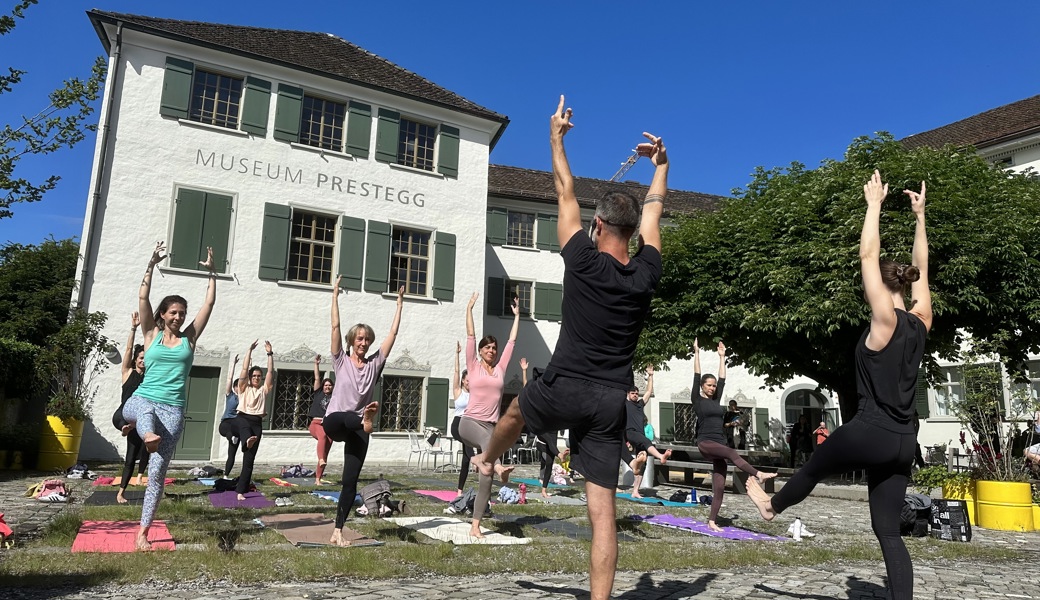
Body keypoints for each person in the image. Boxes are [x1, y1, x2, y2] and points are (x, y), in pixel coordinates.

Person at [472, 96, 667, 600]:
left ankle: (488, 460)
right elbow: (655, 216)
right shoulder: (646, 274)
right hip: (610, 401)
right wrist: (661, 169)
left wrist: (557, 137)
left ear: (598, 226)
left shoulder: (580, 257)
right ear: (631, 234)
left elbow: (565, 190)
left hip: (565, 386)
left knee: (514, 411)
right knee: (604, 516)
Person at [747, 171, 932, 600]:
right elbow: (923, 273)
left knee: (812, 468)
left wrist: (874, 206)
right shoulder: (921, 322)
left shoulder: (884, 321)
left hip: (871, 430)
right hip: (906, 438)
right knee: (888, 530)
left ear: (882, 290)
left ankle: (771, 507)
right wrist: (920, 218)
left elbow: (868, 256)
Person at [123, 241, 217, 551]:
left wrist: (212, 273)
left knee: (157, 474)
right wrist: (150, 264)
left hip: (173, 410)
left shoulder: (189, 338)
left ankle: (143, 531)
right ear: (163, 314)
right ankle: (142, 431)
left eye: (182, 313)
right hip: (143, 398)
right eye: (174, 312)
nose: (178, 317)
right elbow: (142, 297)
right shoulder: (150, 334)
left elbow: (209, 306)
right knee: (141, 412)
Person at [323, 277, 404, 546]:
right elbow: (334, 325)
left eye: (367, 339)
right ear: (352, 340)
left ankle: (338, 530)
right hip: (336, 421)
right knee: (349, 417)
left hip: (359, 429)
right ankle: (364, 418)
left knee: (350, 481)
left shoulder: (374, 365)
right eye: (360, 338)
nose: (364, 342)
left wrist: (399, 305)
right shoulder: (340, 360)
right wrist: (334, 295)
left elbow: (391, 337)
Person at [691, 338, 775, 532]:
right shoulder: (697, 400)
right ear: (703, 386)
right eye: (709, 385)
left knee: (719, 487)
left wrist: (722, 357)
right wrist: (696, 353)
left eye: (713, 386)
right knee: (731, 452)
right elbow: (696, 375)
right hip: (705, 442)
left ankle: (712, 520)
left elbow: (723, 379)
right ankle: (758, 474)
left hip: (719, 441)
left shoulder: (717, 399)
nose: (712, 388)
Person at [457, 290, 520, 538]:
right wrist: (469, 309)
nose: (492, 350)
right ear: (481, 351)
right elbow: (471, 335)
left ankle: (475, 525)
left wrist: (517, 317)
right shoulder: (472, 365)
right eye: (488, 347)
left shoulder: (501, 369)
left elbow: (512, 343)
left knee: (486, 478)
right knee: (489, 449)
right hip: (469, 423)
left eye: (494, 348)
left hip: (491, 426)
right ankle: (497, 465)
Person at [232, 340, 275, 501]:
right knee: (244, 429)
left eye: (259, 376)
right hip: (242, 418)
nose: (257, 378)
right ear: (250, 378)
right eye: (254, 376)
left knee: (249, 460)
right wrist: (249, 350)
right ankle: (245, 442)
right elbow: (244, 369)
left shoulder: (264, 390)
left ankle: (241, 491)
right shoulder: (244, 388)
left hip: (257, 424)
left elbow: (270, 372)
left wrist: (270, 354)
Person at [113, 312, 148, 504]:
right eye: (140, 357)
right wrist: (134, 328)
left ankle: (124, 490)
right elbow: (127, 349)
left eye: (145, 358)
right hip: (123, 416)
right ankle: (120, 493)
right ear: (135, 359)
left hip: (139, 421)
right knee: (120, 419)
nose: (142, 360)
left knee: (131, 457)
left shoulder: (150, 378)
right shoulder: (128, 373)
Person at [625, 365, 669, 499]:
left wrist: (650, 376)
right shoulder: (624, 403)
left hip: (639, 434)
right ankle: (661, 456)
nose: (635, 395)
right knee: (647, 441)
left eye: (636, 393)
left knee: (642, 464)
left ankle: (635, 491)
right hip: (629, 432)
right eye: (632, 393)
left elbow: (649, 391)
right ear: (628, 394)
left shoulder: (639, 404)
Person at [450, 341, 473, 498]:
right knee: (470, 445)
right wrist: (458, 354)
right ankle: (477, 460)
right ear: (464, 381)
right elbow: (457, 371)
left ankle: (459, 490)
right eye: (468, 380)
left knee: (466, 460)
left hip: (470, 425)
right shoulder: (458, 391)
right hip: (458, 424)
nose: (471, 382)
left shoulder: (476, 394)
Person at [309, 354, 334, 485]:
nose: (327, 387)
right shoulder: (318, 392)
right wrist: (316, 364)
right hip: (315, 423)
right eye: (326, 385)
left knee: (326, 450)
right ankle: (320, 459)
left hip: (328, 425)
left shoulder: (335, 398)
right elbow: (317, 377)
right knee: (323, 436)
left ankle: (318, 479)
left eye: (330, 386)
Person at [216, 353, 241, 479]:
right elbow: (229, 379)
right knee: (228, 430)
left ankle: (226, 475)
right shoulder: (230, 394)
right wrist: (234, 364)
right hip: (226, 423)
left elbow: (248, 381)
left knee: (232, 453)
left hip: (237, 426)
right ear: (235, 387)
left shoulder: (245, 397)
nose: (238, 389)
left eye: (240, 387)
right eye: (237, 387)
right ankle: (232, 437)